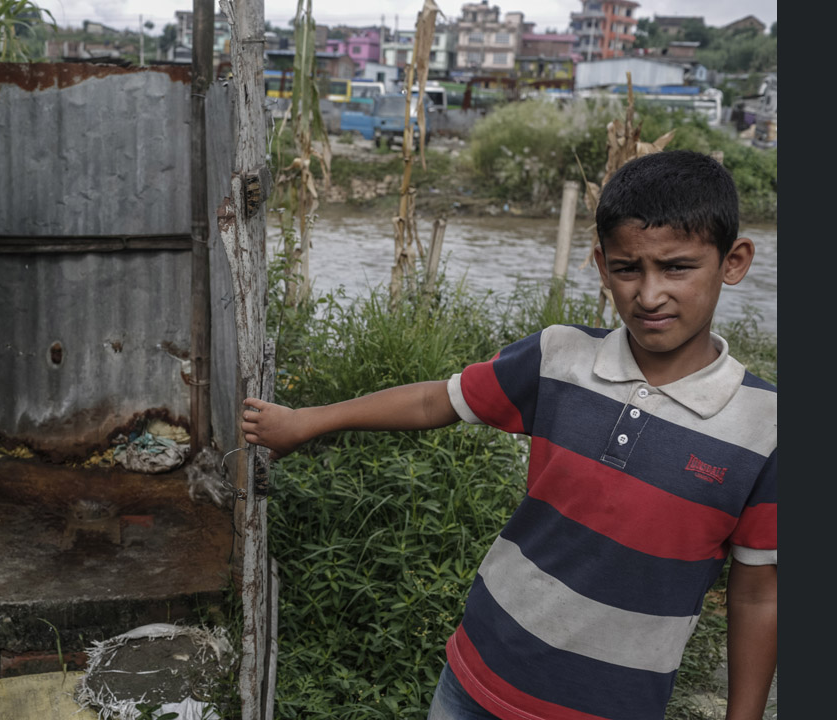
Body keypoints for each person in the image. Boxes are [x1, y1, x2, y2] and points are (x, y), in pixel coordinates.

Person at [241, 150, 776, 720]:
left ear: (734, 260)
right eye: (627, 268)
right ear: (600, 264)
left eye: (677, 267)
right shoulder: (558, 357)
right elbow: (437, 399)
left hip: (612, 706)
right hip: (478, 673)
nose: (648, 295)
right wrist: (308, 421)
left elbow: (757, 594)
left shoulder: (765, 427)